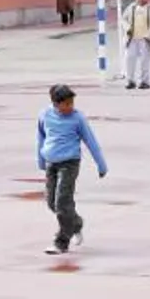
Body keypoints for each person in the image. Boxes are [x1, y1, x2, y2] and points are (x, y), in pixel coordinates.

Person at [37, 83, 108, 255]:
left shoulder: (77, 118)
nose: (70, 107)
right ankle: (75, 223)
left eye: (72, 103)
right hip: (51, 163)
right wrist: (40, 160)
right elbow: (41, 137)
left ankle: (61, 242)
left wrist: (101, 164)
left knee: (62, 202)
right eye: (66, 104)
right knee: (52, 204)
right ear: (56, 103)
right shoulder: (45, 115)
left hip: (69, 163)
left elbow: (91, 141)